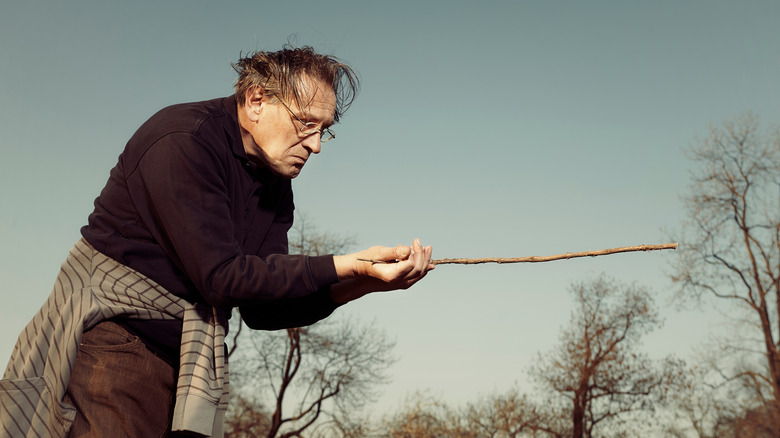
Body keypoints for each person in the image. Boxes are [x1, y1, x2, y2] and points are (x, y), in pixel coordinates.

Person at [0, 45, 434, 438]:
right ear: (256, 100)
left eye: (325, 130)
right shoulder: (182, 141)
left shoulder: (275, 184)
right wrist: (350, 262)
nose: (317, 146)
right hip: (118, 343)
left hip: (188, 360)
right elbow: (222, 278)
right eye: (306, 124)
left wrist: (371, 283)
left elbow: (263, 308)